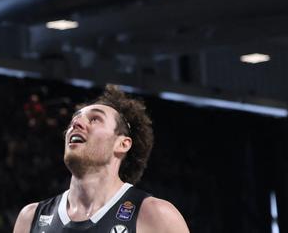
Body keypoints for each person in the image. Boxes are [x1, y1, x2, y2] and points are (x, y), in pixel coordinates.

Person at [12, 86, 190, 233]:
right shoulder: (30, 218)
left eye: (95, 119)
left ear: (122, 144)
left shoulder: (155, 216)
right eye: (75, 119)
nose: (76, 124)